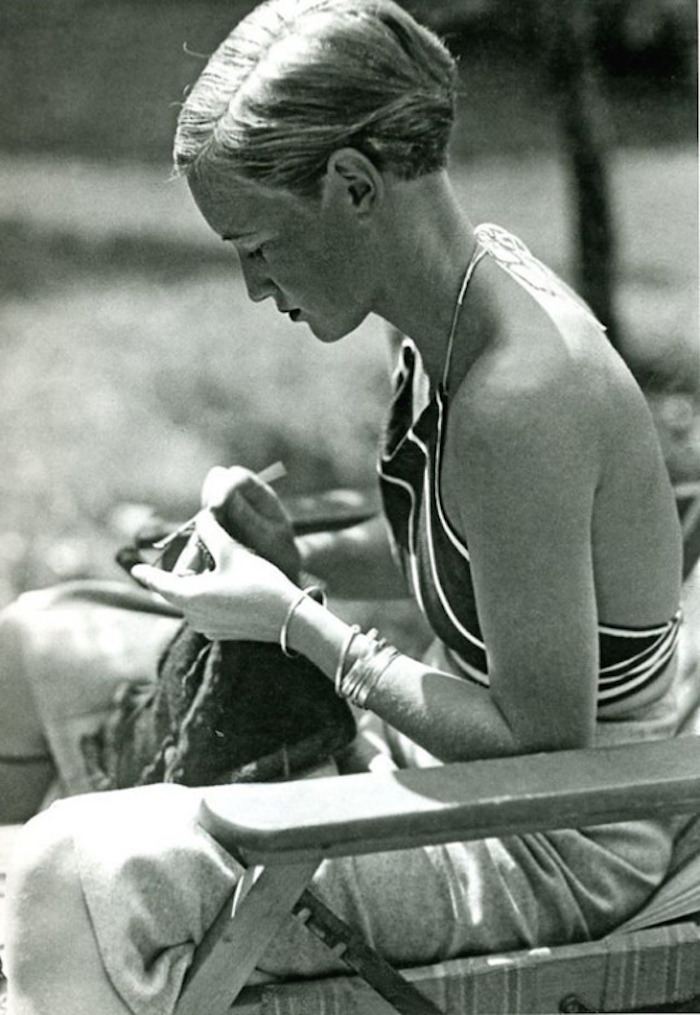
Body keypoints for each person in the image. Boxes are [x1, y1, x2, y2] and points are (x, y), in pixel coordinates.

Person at [4, 0, 695, 1012]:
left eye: (260, 244)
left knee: (86, 866)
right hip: (461, 765)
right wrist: (278, 557)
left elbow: (541, 741)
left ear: (354, 186)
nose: (252, 286)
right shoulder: (442, 305)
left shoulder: (520, 399)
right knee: (28, 648)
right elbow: (485, 558)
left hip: (553, 834)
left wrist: (295, 623)